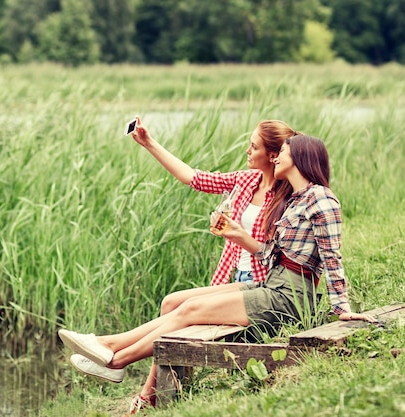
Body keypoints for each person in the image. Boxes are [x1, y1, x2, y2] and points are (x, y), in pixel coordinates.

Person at [59, 134, 378, 415]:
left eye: (283, 152)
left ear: (301, 158)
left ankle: (114, 359)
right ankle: (108, 348)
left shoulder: (322, 200)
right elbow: (271, 254)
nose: (277, 156)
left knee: (191, 311)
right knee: (178, 302)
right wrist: (240, 235)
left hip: (290, 298)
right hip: (270, 284)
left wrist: (342, 308)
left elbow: (332, 258)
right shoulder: (294, 199)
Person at [129, 116, 297, 286]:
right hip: (235, 275)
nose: (247, 150)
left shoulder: (287, 195)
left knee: (187, 307)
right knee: (178, 304)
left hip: (262, 281)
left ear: (273, 156)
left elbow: (281, 255)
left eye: (254, 147)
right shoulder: (246, 180)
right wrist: (148, 143)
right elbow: (194, 178)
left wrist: (237, 233)